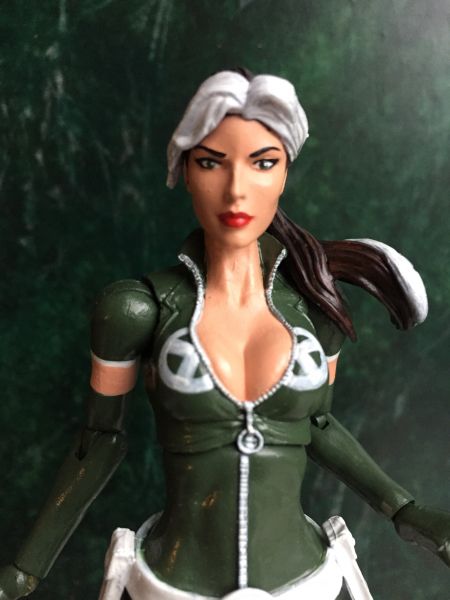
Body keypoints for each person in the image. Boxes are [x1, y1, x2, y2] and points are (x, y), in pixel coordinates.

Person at [0, 69, 448, 600]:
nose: (236, 189)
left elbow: (319, 423)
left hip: (309, 583)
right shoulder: (135, 310)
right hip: (170, 585)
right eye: (211, 162)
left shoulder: (317, 308)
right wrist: (25, 570)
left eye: (263, 162)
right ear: (184, 171)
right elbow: (101, 439)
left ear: (284, 173)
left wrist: (404, 508)